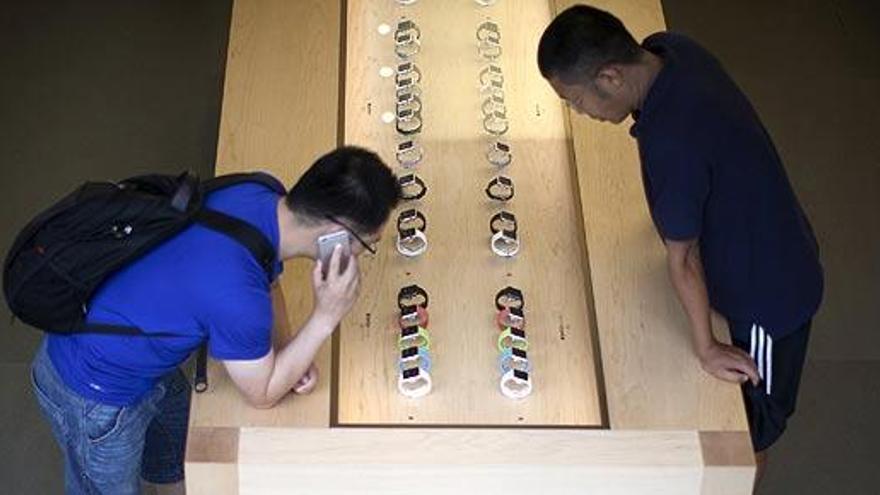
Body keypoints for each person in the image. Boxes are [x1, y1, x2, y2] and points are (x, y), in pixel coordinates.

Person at [537, 4, 823, 481]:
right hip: (769, 230)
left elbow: (683, 256)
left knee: (749, 428)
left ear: (609, 78)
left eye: (575, 100)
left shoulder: (673, 143)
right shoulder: (672, 51)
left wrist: (707, 346)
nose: (578, 112)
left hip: (770, 297)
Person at [30, 146, 401, 494]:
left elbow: (268, 280)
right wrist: (325, 317)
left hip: (139, 357)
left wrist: (286, 348)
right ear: (334, 233)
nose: (361, 255)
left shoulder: (261, 190)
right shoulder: (236, 294)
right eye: (365, 244)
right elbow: (262, 394)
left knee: (175, 464)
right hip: (92, 393)